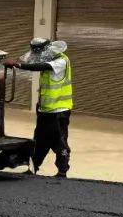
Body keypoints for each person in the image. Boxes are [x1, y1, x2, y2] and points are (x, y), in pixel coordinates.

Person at [5, 38, 72, 177]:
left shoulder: (61, 61)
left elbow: (40, 66)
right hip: (44, 110)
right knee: (40, 141)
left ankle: (62, 171)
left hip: (58, 111)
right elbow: (30, 59)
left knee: (60, 141)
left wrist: (18, 65)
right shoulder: (46, 56)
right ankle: (34, 168)